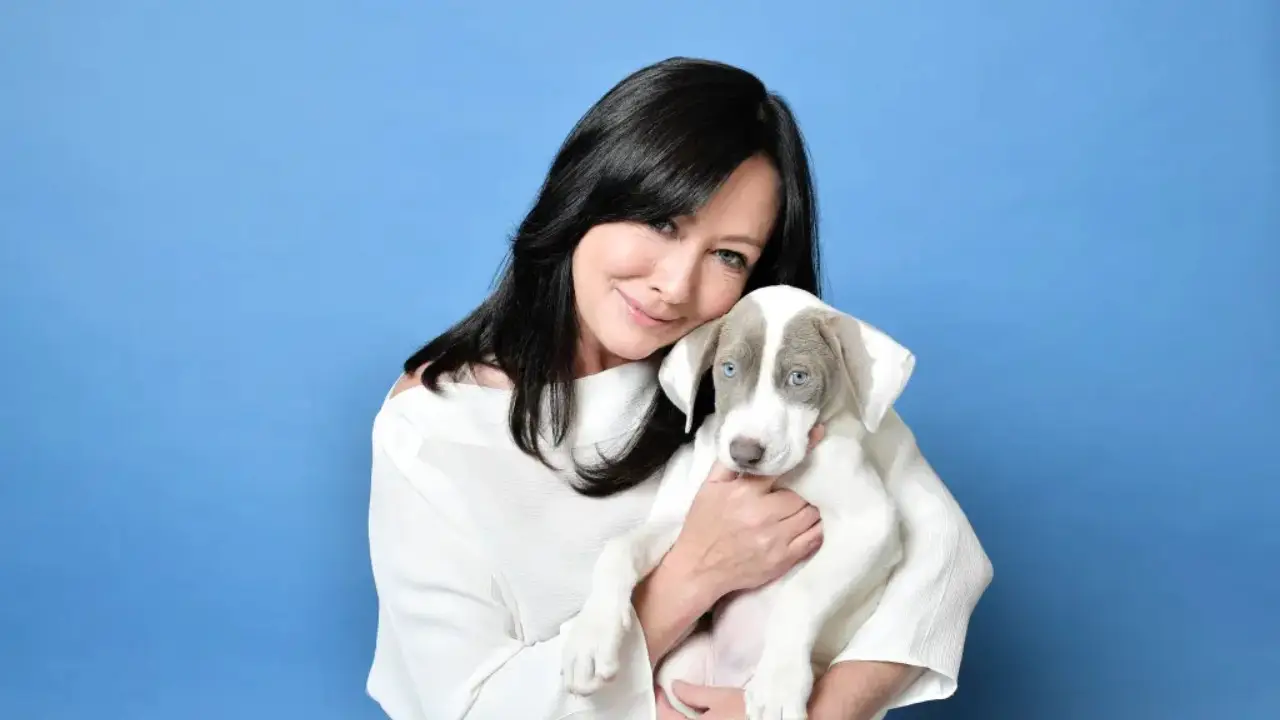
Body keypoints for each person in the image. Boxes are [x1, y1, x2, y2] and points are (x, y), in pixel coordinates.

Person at [364, 57, 993, 720]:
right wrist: (692, 575)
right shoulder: (433, 430)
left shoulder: (744, 386)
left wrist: (818, 712)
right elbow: (462, 708)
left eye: (729, 255)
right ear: (587, 192)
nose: (675, 284)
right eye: (662, 223)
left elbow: (945, 560)